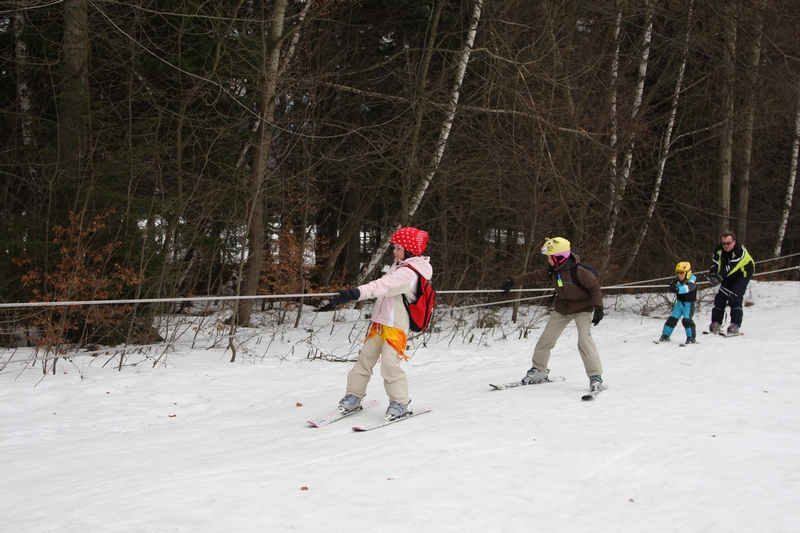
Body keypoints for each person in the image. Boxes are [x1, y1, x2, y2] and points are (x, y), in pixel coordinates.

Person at [316, 227, 433, 420]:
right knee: (365, 359)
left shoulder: (409, 272)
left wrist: (355, 293)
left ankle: (400, 402)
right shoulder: (400, 266)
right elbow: (381, 287)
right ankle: (354, 396)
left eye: (398, 248)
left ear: (410, 250)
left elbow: (382, 286)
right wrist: (353, 294)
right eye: (394, 248)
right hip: (380, 323)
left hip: (396, 326)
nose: (394, 252)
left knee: (389, 364)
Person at [500, 237, 605, 392]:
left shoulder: (580, 272)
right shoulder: (553, 270)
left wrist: (599, 309)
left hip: (583, 308)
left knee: (584, 340)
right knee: (546, 339)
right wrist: (512, 282)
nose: (548, 260)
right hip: (563, 308)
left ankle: (595, 376)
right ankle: (539, 370)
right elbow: (533, 276)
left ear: (559, 257)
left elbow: (595, 289)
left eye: (550, 257)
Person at [708, 231, 755, 335]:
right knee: (721, 296)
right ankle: (716, 322)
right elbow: (715, 263)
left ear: (734, 242)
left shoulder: (739, 250)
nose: (726, 246)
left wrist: (720, 276)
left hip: (743, 273)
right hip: (728, 275)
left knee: (735, 295)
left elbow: (733, 265)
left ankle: (735, 324)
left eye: (728, 243)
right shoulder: (719, 249)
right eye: (724, 243)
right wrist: (713, 275)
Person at [658, 262, 697, 344]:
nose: (679, 275)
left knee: (686, 320)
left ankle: (691, 337)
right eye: (677, 273)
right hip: (679, 304)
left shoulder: (691, 282)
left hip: (688, 305)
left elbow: (686, 289)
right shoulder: (678, 281)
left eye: (681, 273)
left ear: (687, 273)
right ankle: (665, 335)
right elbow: (675, 285)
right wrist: (672, 286)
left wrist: (677, 289)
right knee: (672, 319)